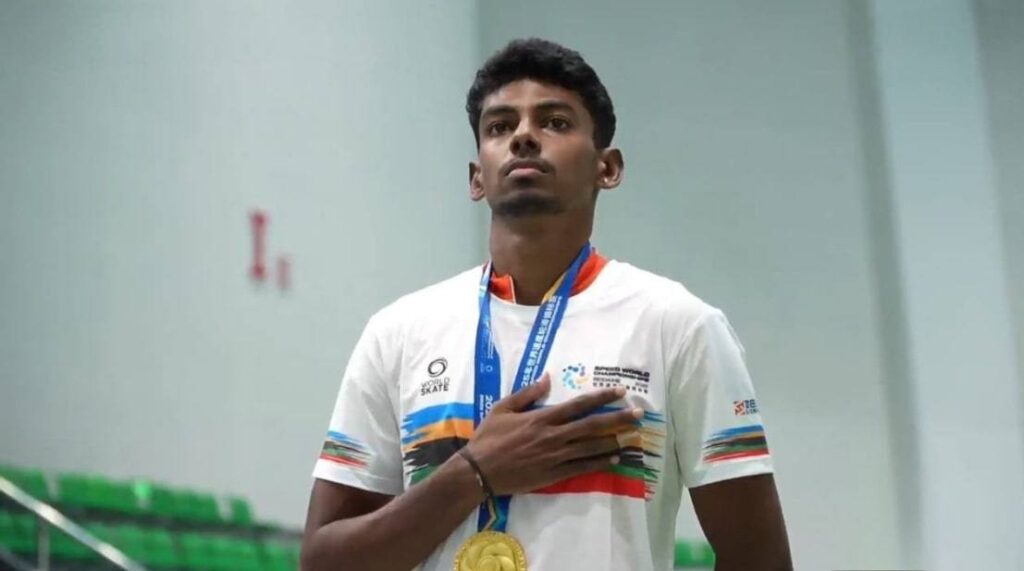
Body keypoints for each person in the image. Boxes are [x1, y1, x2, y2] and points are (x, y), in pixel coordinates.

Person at [301, 38, 791, 571]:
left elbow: (758, 557)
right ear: (476, 177)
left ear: (608, 168)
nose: (523, 138)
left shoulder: (679, 325)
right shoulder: (398, 332)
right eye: (499, 126)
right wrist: (474, 473)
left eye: (555, 122)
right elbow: (325, 561)